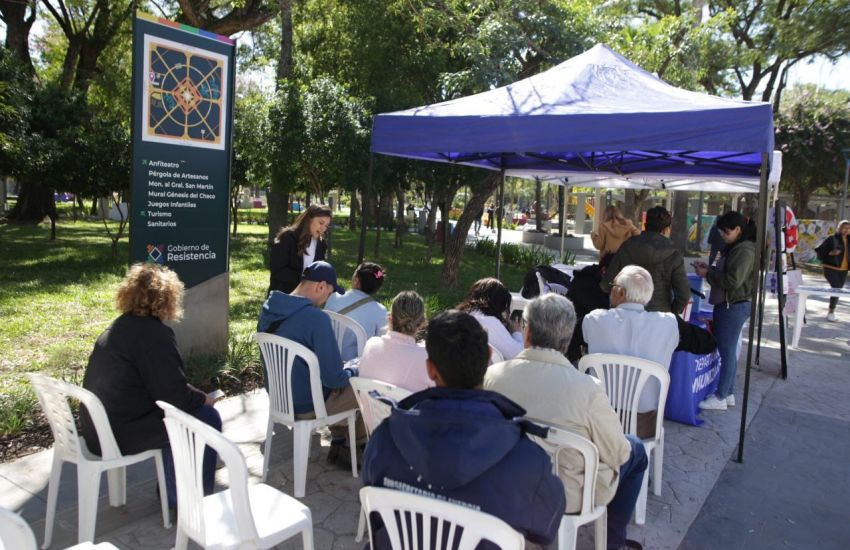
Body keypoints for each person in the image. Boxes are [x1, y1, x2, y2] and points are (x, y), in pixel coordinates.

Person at [361, 310, 566, 547]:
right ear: (489, 358)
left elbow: (373, 507)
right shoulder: (528, 460)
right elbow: (546, 526)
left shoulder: (385, 438)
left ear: (431, 369)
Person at [484, 294, 647, 550]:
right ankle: (613, 542)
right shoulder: (587, 389)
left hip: (505, 483)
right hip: (567, 495)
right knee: (635, 449)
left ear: (527, 333)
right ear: (567, 339)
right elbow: (618, 452)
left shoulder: (493, 376)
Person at [80, 263, 221, 509]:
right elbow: (173, 399)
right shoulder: (155, 335)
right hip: (120, 433)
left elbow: (156, 382)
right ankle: (189, 505)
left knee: (190, 414)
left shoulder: (121, 326)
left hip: (98, 428)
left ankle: (173, 490)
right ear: (169, 299)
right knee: (206, 418)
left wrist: (188, 392)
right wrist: (202, 399)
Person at [257, 260, 365, 460]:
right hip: (307, 405)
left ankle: (340, 440)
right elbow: (334, 379)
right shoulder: (316, 319)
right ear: (320, 286)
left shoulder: (268, 307)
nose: (327, 299)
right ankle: (355, 449)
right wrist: (356, 368)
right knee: (365, 386)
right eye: (329, 293)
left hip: (280, 399)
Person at [584, 265, 679, 439]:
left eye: (613, 286)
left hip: (599, 420)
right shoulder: (668, 324)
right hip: (644, 424)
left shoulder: (594, 319)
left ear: (620, 292)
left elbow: (587, 339)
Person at [693, 211, 756, 411]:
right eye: (721, 232)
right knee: (728, 351)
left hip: (733, 305)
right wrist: (708, 270)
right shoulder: (735, 247)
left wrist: (708, 274)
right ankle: (728, 392)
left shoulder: (744, 250)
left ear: (738, 229)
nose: (723, 235)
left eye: (726, 232)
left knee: (727, 352)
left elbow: (732, 281)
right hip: (730, 304)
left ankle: (720, 396)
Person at [602, 206, 690, 314]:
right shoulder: (673, 254)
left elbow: (606, 284)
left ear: (645, 225)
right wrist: (672, 312)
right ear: (666, 230)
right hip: (659, 316)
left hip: (625, 313)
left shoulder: (627, 247)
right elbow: (684, 295)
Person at [358, 291, 432, 392]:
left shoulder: (371, 344)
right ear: (422, 323)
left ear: (389, 317)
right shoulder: (425, 358)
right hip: (407, 408)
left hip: (367, 407)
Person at [325, 262, 388, 361]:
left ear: (356, 280)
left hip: (325, 359)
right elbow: (381, 344)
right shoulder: (381, 312)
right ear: (377, 287)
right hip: (355, 369)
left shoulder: (334, 297)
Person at [269, 204, 332, 294]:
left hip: (307, 298)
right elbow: (278, 271)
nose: (323, 228)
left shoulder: (321, 244)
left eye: (326, 225)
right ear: (309, 219)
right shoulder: (287, 238)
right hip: (283, 296)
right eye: (321, 223)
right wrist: (304, 279)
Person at [457, 277, 523, 359]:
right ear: (499, 303)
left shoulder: (462, 315)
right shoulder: (489, 322)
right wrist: (516, 332)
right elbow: (518, 355)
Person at [815, 220, 850, 321]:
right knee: (837, 288)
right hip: (830, 268)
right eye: (844, 228)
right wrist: (831, 253)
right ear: (839, 228)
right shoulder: (832, 239)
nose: (846, 230)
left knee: (838, 290)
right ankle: (831, 312)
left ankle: (831, 311)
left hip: (844, 269)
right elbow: (820, 251)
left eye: (848, 228)